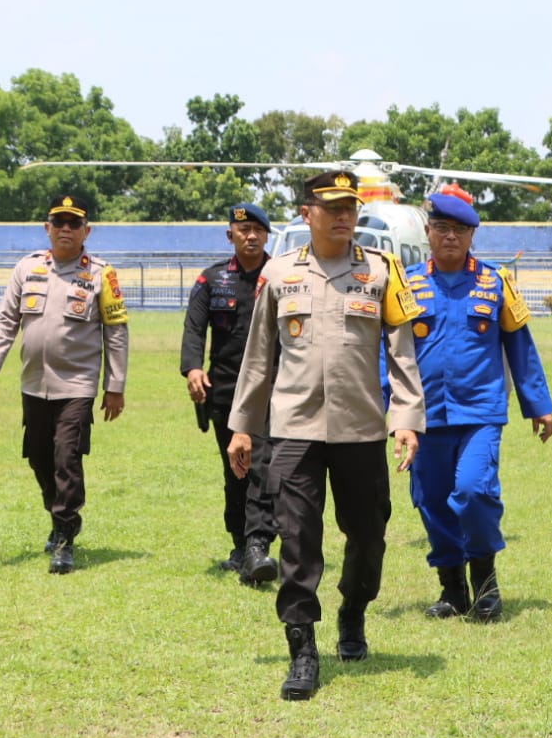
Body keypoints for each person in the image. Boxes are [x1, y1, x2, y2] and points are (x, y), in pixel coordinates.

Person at [226, 169, 425, 701]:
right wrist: (243, 426)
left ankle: (353, 610)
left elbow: (402, 354)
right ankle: (302, 649)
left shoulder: (382, 272)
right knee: (297, 539)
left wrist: (405, 419)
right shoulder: (279, 271)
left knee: (369, 534)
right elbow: (258, 358)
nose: (343, 215)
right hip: (293, 431)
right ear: (307, 212)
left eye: (350, 206)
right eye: (331, 206)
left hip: (361, 430)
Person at [402, 190, 552, 623]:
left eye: (461, 230)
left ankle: (486, 583)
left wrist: (538, 405)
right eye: (443, 228)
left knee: (472, 492)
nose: (451, 237)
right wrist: (394, 410)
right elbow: (388, 352)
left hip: (481, 411)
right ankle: (452, 590)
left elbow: (519, 345)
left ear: (472, 236)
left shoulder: (495, 282)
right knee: (430, 499)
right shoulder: (407, 284)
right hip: (424, 413)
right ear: (428, 231)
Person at [0, 195, 128, 575]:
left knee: (66, 458)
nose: (65, 228)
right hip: (34, 383)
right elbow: (5, 319)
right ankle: (58, 514)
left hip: (77, 384)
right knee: (39, 457)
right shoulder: (27, 268)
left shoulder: (101, 274)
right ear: (47, 228)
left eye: (73, 223)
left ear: (86, 231)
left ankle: (64, 538)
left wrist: (115, 385)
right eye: (58, 222)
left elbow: (117, 332)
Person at [180, 201, 278, 585]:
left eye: (257, 230)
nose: (250, 236)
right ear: (230, 235)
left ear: (267, 235)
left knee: (261, 467)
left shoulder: (281, 276)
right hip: (224, 391)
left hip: (273, 390)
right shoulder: (211, 280)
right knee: (234, 470)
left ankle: (258, 545)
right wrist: (193, 368)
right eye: (243, 230)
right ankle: (240, 544)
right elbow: (194, 329)